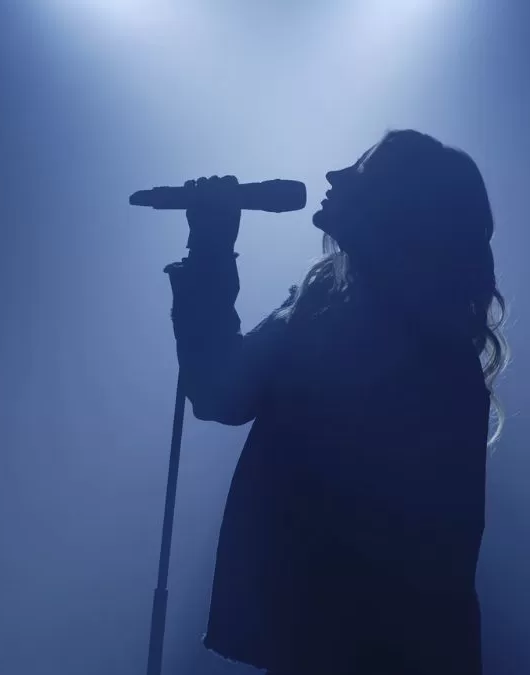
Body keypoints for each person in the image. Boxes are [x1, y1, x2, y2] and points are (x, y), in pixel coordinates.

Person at [163, 129, 508, 675]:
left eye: (360, 171)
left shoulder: (430, 350)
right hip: (312, 639)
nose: (333, 176)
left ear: (399, 206)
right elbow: (218, 391)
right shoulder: (322, 304)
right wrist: (209, 248)